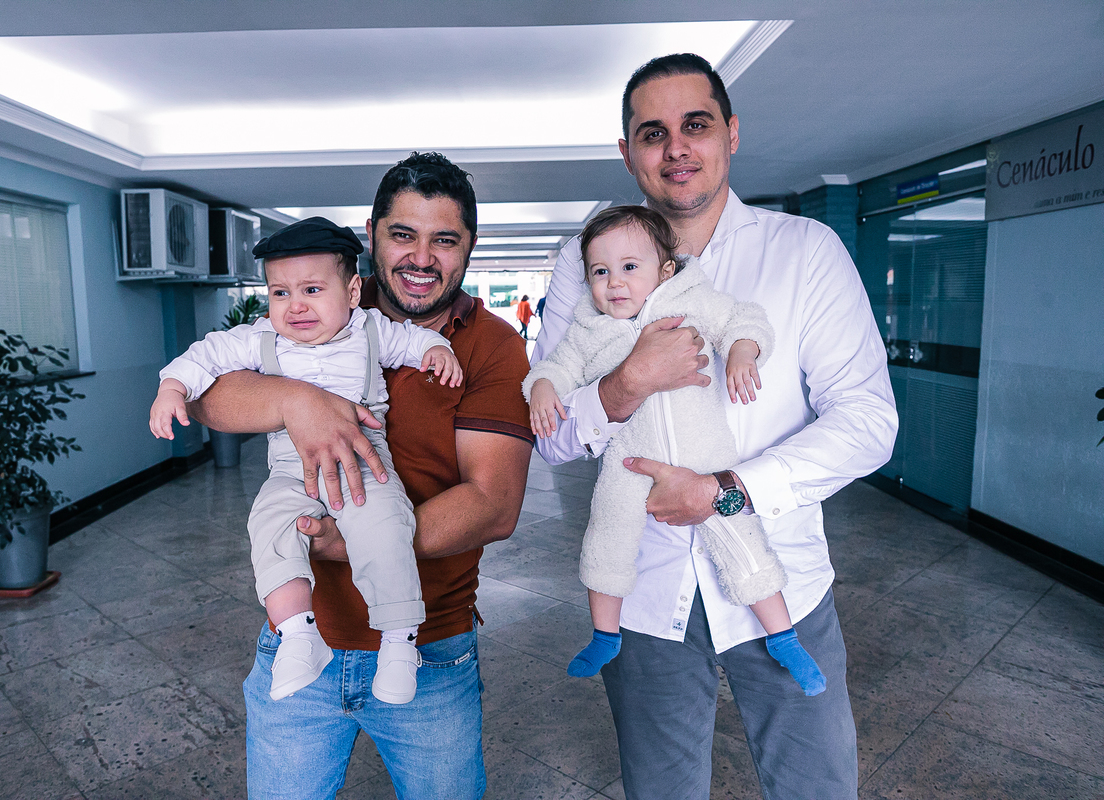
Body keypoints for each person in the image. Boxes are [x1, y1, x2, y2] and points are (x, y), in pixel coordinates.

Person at [533, 54, 897, 799]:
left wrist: (727, 490)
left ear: (730, 133)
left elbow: (868, 420)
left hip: (782, 579)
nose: (676, 148)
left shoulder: (804, 252)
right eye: (652, 133)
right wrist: (630, 380)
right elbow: (554, 437)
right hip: (645, 597)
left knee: (817, 787)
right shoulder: (587, 261)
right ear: (628, 152)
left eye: (694, 125)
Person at [188, 153, 534, 800]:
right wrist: (298, 402)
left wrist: (348, 543)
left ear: (470, 246)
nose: (421, 258)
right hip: (299, 641)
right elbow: (209, 397)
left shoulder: (490, 344)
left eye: (444, 239)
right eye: (402, 235)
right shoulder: (315, 293)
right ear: (371, 235)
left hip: (431, 649)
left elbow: (494, 504)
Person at [150, 216, 463, 707]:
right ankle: (298, 635)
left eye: (312, 290)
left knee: (385, 524)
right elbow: (205, 356)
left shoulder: (371, 331)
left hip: (363, 463)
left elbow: (416, 340)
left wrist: (438, 349)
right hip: (291, 469)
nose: (295, 306)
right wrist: (172, 388)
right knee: (269, 522)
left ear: (353, 291)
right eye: (280, 293)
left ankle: (398, 641)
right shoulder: (261, 339)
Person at [524, 205, 824, 697]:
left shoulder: (690, 302)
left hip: (705, 456)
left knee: (742, 538)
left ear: (664, 271)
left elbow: (743, 319)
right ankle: (604, 634)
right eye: (600, 272)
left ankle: (784, 636)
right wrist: (541, 387)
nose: (614, 283)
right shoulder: (589, 329)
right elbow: (557, 367)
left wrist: (743, 350)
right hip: (628, 461)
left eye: (629, 267)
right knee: (607, 535)